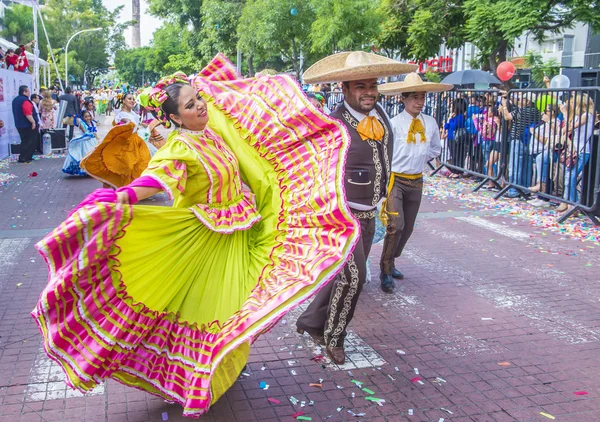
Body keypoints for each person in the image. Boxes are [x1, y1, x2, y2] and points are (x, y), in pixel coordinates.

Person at [32, 54, 358, 418]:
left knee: (240, 310)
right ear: (173, 118)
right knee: (215, 314)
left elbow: (234, 122)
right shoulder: (180, 147)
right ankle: (203, 378)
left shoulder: (214, 133)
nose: (200, 107)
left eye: (198, 99)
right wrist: (119, 197)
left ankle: (223, 367)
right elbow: (155, 180)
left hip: (239, 235)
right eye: (190, 105)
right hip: (205, 244)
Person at [295, 51, 416, 365]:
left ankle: (309, 322)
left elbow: (385, 161)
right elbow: (315, 173)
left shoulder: (381, 116)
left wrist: (386, 202)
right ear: (345, 88)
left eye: (373, 85)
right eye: (361, 86)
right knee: (354, 278)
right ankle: (334, 337)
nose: (369, 92)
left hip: (368, 214)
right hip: (341, 217)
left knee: (342, 276)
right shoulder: (333, 124)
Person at [377, 74, 452, 292]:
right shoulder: (394, 124)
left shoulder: (429, 122)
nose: (419, 102)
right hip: (396, 180)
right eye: (415, 97)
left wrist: (418, 157)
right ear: (404, 98)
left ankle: (391, 260)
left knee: (407, 228)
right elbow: (386, 152)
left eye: (422, 97)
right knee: (395, 226)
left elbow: (435, 149)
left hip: (416, 180)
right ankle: (385, 269)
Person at [80, 92, 154, 188]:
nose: (132, 101)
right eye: (129, 99)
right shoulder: (121, 115)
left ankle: (134, 188)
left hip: (137, 142)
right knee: (126, 166)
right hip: (126, 145)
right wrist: (128, 123)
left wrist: (148, 125)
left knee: (139, 165)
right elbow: (126, 121)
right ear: (123, 101)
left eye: (133, 99)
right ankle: (126, 188)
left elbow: (138, 124)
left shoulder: (133, 114)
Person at [62, 110, 98, 175]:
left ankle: (90, 170)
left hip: (91, 140)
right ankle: (85, 169)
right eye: (86, 117)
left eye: (89, 116)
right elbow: (84, 130)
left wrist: (96, 138)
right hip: (84, 141)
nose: (88, 118)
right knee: (84, 155)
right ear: (83, 117)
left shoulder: (92, 122)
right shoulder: (81, 123)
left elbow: (94, 132)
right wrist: (88, 134)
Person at [12, 85, 37, 163]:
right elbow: (28, 113)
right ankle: (24, 157)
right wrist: (33, 122)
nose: (29, 93)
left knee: (24, 140)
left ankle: (25, 156)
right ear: (25, 91)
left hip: (19, 124)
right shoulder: (25, 101)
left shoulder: (15, 100)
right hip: (26, 124)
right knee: (28, 141)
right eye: (28, 91)